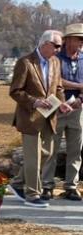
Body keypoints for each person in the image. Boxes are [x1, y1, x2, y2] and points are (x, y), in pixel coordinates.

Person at [9, 30, 74, 207]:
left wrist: (61, 103)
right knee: (33, 157)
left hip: (49, 117)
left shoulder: (55, 62)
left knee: (46, 154)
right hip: (29, 118)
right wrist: (34, 102)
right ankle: (32, 194)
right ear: (45, 44)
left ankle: (16, 183)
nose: (59, 50)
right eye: (57, 46)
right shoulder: (25, 62)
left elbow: (58, 88)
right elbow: (15, 91)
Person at [46, 23, 83, 201]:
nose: (82, 42)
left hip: (77, 108)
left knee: (75, 150)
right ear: (68, 40)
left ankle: (71, 186)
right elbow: (55, 80)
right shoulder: (55, 59)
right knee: (50, 148)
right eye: (79, 38)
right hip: (56, 107)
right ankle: (46, 185)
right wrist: (78, 85)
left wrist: (80, 99)